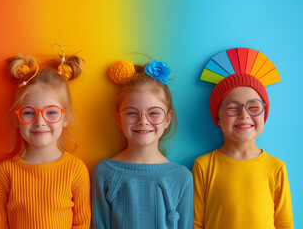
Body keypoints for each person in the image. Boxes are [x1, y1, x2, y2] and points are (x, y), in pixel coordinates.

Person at [0, 45, 91, 229]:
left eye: (51, 112)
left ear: (65, 118)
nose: (40, 121)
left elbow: (82, 224)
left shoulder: (76, 170)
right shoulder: (5, 173)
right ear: (17, 119)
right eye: (29, 112)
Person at [92, 60, 193, 229]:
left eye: (153, 113)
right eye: (132, 113)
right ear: (118, 119)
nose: (143, 121)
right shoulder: (104, 172)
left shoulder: (182, 177)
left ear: (167, 119)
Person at [193, 72, 294, 228]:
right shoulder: (203, 166)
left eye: (253, 107)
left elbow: (285, 223)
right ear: (218, 118)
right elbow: (196, 224)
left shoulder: (277, 167)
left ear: (264, 115)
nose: (244, 115)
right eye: (232, 108)